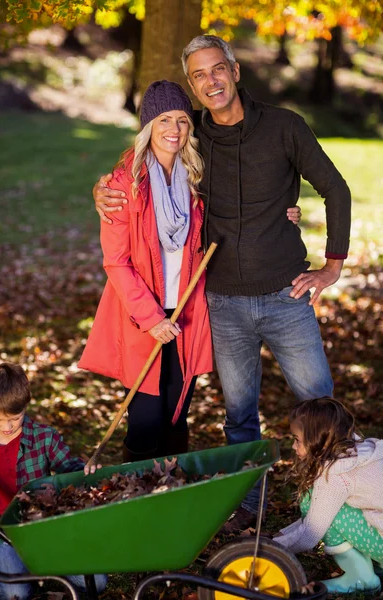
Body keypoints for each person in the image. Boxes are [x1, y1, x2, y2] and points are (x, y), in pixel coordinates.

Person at [92, 35, 351, 533]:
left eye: (217, 70)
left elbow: (335, 188)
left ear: (234, 70)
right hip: (220, 302)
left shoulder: (283, 127)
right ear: (193, 86)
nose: (210, 82)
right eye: (198, 76)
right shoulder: (193, 140)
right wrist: (101, 190)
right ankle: (247, 508)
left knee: (319, 404)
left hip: (285, 294)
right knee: (238, 417)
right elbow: (142, 167)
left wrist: (332, 264)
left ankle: (338, 505)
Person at [78, 80, 213, 462]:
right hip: (143, 315)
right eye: (164, 119)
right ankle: (135, 492)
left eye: (183, 120)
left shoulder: (196, 180)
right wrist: (151, 318)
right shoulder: (124, 184)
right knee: (146, 416)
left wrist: (289, 209)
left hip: (187, 311)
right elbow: (116, 262)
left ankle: (170, 494)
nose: (174, 129)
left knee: (177, 413)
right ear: (148, 126)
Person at [0, 362, 107, 600]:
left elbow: (68, 468)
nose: (8, 427)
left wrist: (86, 471)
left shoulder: (44, 437)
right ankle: (28, 570)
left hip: (45, 525)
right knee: (13, 594)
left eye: (16, 418)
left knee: (96, 583)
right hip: (2, 532)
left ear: (26, 406)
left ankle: (43, 566)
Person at [274, 398, 383, 594]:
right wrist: (282, 536)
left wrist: (273, 549)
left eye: (297, 439)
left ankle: (360, 577)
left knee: (312, 500)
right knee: (323, 503)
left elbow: (311, 533)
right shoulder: (358, 451)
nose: (292, 446)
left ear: (318, 440)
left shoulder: (336, 475)